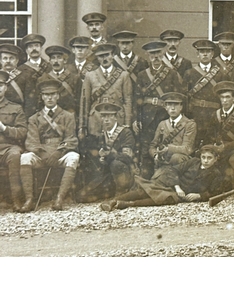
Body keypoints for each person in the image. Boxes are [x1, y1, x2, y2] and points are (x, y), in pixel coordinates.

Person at [100, 144, 223, 210]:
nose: (205, 161)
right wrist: (177, 186)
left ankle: (128, 204)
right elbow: (173, 169)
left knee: (164, 198)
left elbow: (215, 192)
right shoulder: (194, 162)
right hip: (173, 185)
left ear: (216, 159)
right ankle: (114, 201)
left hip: (181, 196)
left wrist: (199, 196)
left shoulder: (216, 174)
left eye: (209, 158)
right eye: (203, 157)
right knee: (146, 190)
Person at [19, 80, 79, 211]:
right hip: (42, 154)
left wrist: (58, 153)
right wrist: (43, 154)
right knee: (25, 157)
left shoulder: (68, 116)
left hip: (60, 153)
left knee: (74, 157)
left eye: (53, 94)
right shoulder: (34, 118)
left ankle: (59, 199)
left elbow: (71, 139)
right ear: (42, 97)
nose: (50, 97)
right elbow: (32, 142)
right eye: (46, 95)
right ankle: (29, 199)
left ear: (58, 96)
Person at [134, 41, 184, 178]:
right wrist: (137, 119)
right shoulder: (142, 75)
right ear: (148, 55)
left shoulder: (171, 74)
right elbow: (137, 100)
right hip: (147, 118)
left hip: (165, 116)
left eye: (158, 53)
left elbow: (178, 96)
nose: (155, 57)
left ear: (163, 54)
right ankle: (146, 180)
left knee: (165, 148)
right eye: (152, 54)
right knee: (146, 149)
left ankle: (164, 179)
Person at [77, 103, 136, 203]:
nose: (106, 119)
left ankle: (122, 192)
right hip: (109, 175)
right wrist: (102, 159)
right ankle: (110, 192)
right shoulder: (102, 136)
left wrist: (111, 155)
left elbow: (127, 157)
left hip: (125, 174)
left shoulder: (126, 132)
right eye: (104, 116)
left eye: (110, 116)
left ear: (116, 117)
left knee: (116, 164)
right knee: (82, 196)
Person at [79, 43, 133, 140]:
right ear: (97, 58)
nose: (105, 59)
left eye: (107, 55)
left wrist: (127, 124)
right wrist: (82, 126)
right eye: (101, 56)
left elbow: (128, 101)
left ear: (112, 56)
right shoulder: (90, 75)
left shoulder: (123, 75)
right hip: (96, 118)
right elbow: (85, 102)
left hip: (117, 117)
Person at [184, 39, 225, 147]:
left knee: (212, 143)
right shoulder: (189, 73)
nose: (205, 54)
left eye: (208, 51)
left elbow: (224, 96)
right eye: (202, 51)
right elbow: (185, 97)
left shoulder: (220, 74)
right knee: (194, 143)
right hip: (196, 114)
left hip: (214, 113)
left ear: (212, 54)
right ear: (197, 54)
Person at [0, 70, 27, 212]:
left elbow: (22, 132)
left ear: (5, 87)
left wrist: (4, 128)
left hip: (8, 148)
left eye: (0, 85)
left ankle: (16, 200)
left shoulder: (15, 107)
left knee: (16, 155)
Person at [149, 92, 197, 168]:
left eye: (176, 104)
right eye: (169, 104)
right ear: (165, 107)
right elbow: (152, 146)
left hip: (181, 164)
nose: (173, 108)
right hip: (163, 162)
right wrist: (155, 155)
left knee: (176, 157)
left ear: (181, 107)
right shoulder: (162, 124)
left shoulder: (189, 124)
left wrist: (168, 148)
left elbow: (187, 149)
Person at [37, 45, 80, 116]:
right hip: (49, 117)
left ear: (65, 60)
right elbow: (39, 103)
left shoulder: (74, 78)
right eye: (53, 58)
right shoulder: (42, 79)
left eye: (59, 58)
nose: (56, 61)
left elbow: (79, 102)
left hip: (68, 117)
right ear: (50, 61)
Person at [0, 43, 36, 117]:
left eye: (11, 58)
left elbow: (30, 103)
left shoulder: (26, 76)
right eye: (5, 58)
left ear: (17, 61)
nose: (8, 61)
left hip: (18, 117)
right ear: (0, 61)